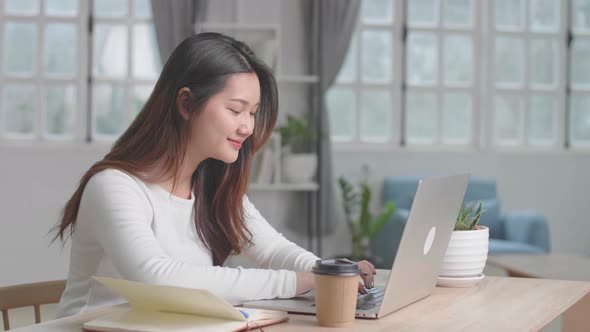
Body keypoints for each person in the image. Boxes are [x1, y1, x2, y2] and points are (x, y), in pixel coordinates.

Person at [51, 32, 375, 318]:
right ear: (187, 104)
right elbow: (157, 279)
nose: (247, 127)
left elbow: (272, 250)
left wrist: (329, 272)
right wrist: (299, 281)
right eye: (235, 110)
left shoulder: (211, 185)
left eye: (252, 112)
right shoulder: (114, 187)